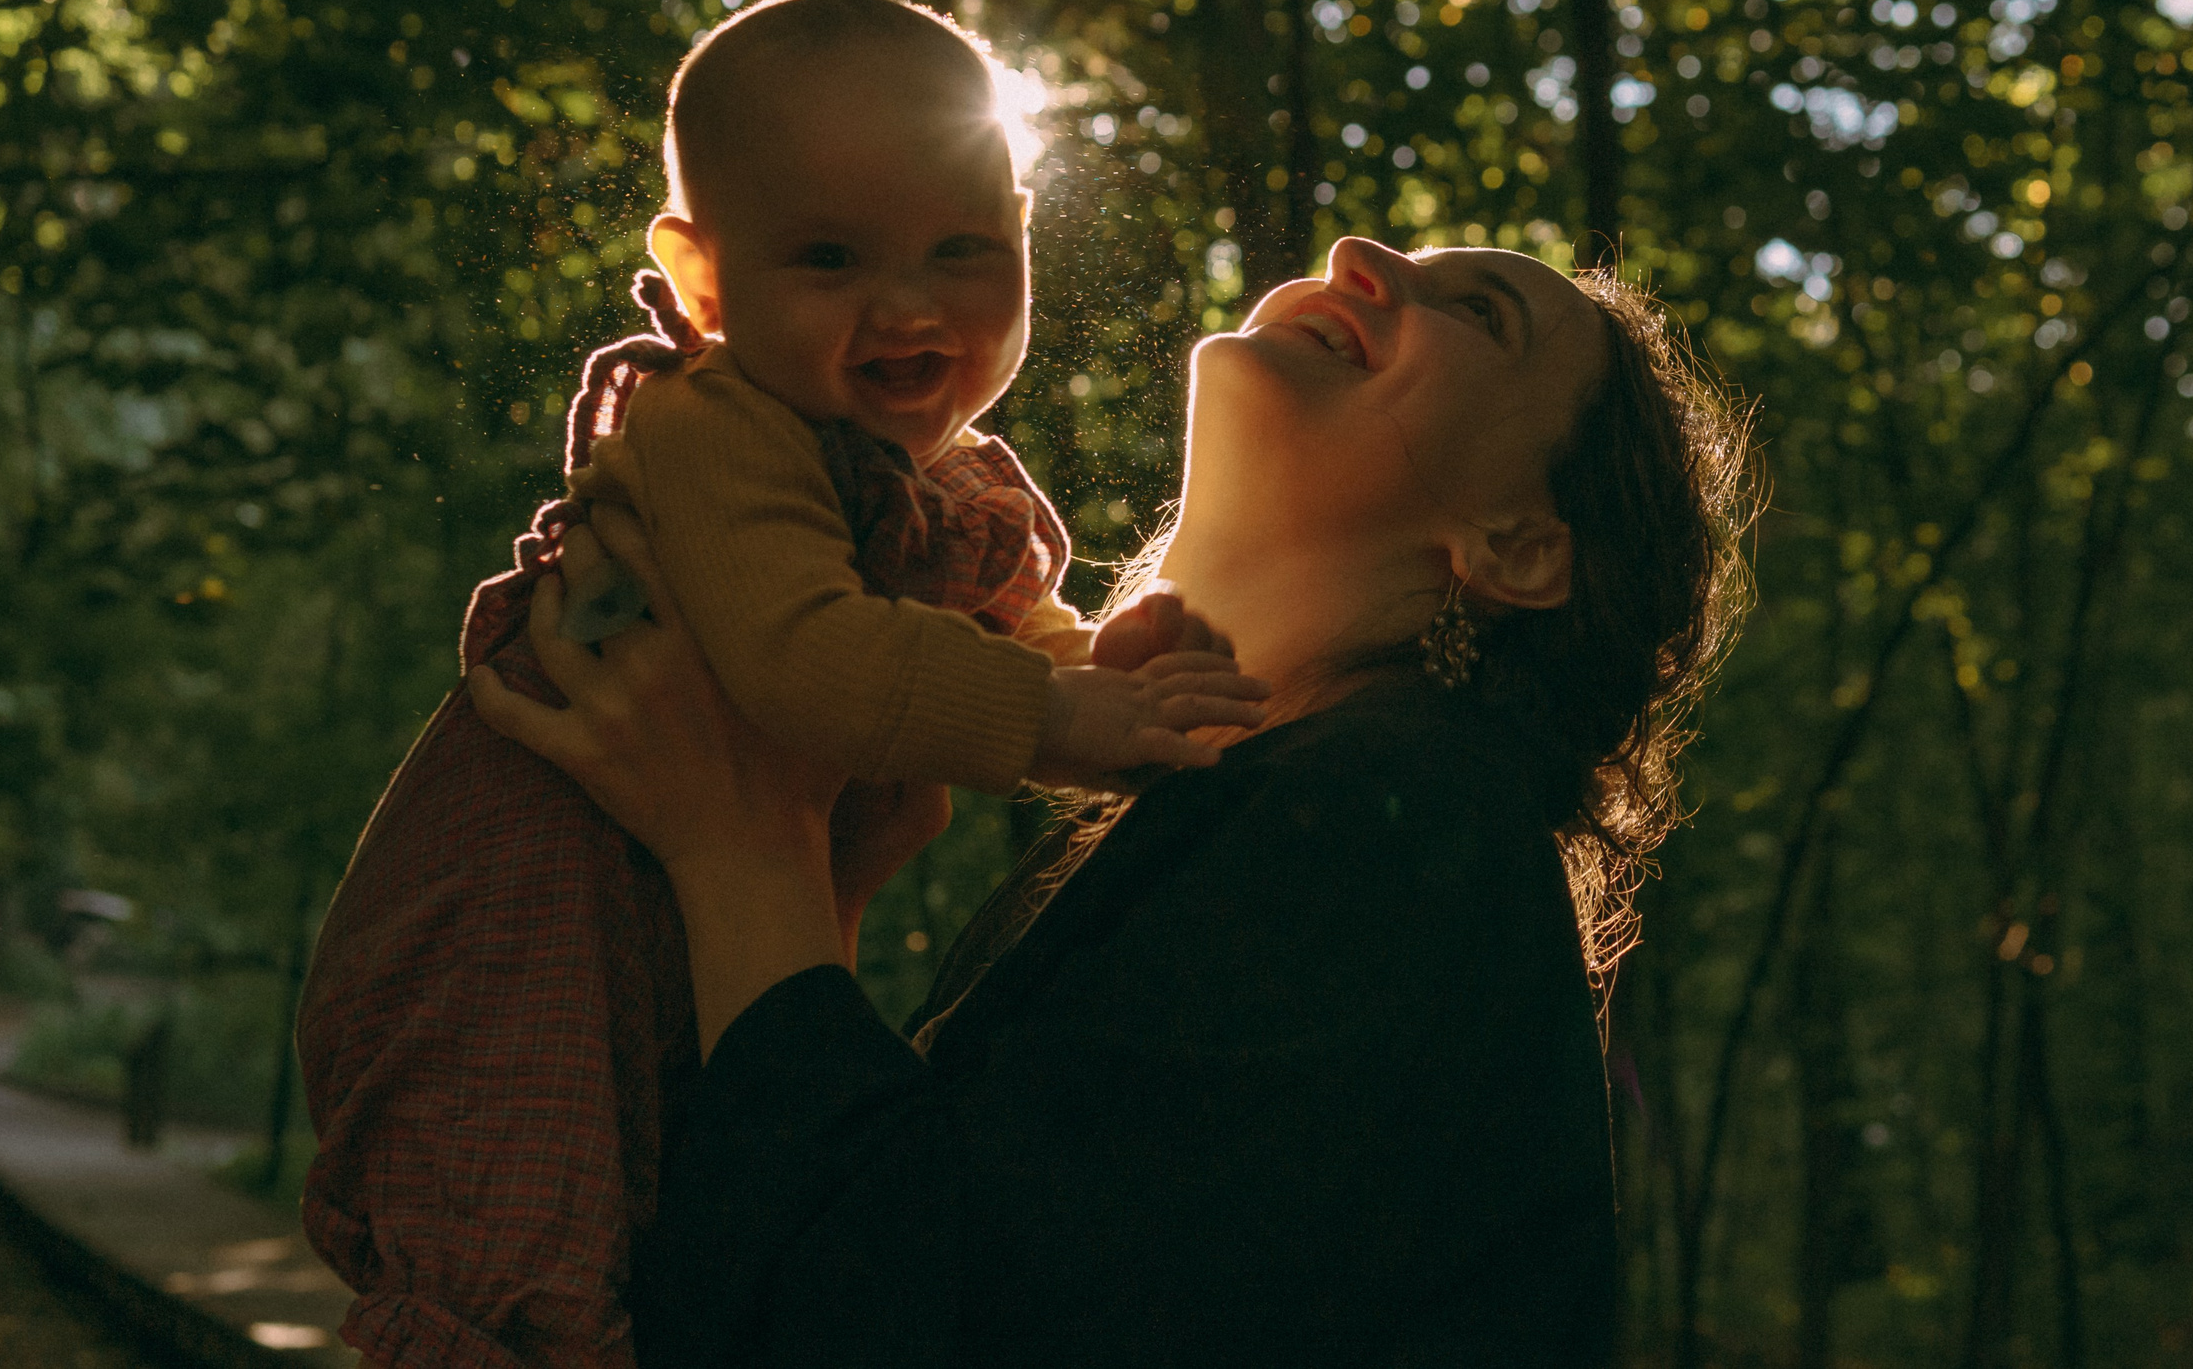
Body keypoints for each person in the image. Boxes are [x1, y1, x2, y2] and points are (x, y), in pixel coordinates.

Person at [485, 231, 1755, 1365]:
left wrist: (745, 850)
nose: (1362, 253)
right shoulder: (1265, 817)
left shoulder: (1405, 826)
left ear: (1517, 547)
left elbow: (900, 1317)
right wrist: (820, 884)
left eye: (1479, 314)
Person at [298, 0, 1261, 1369]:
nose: (911, 303)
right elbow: (807, 663)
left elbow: (1009, 643)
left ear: (1026, 239)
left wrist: (1108, 667)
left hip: (661, 904)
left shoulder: (947, 481)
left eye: (962, 249)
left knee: (665, 1211)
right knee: (526, 1231)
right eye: (829, 255)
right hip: (515, 906)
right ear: (702, 281)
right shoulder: (721, 429)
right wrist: (1066, 718)